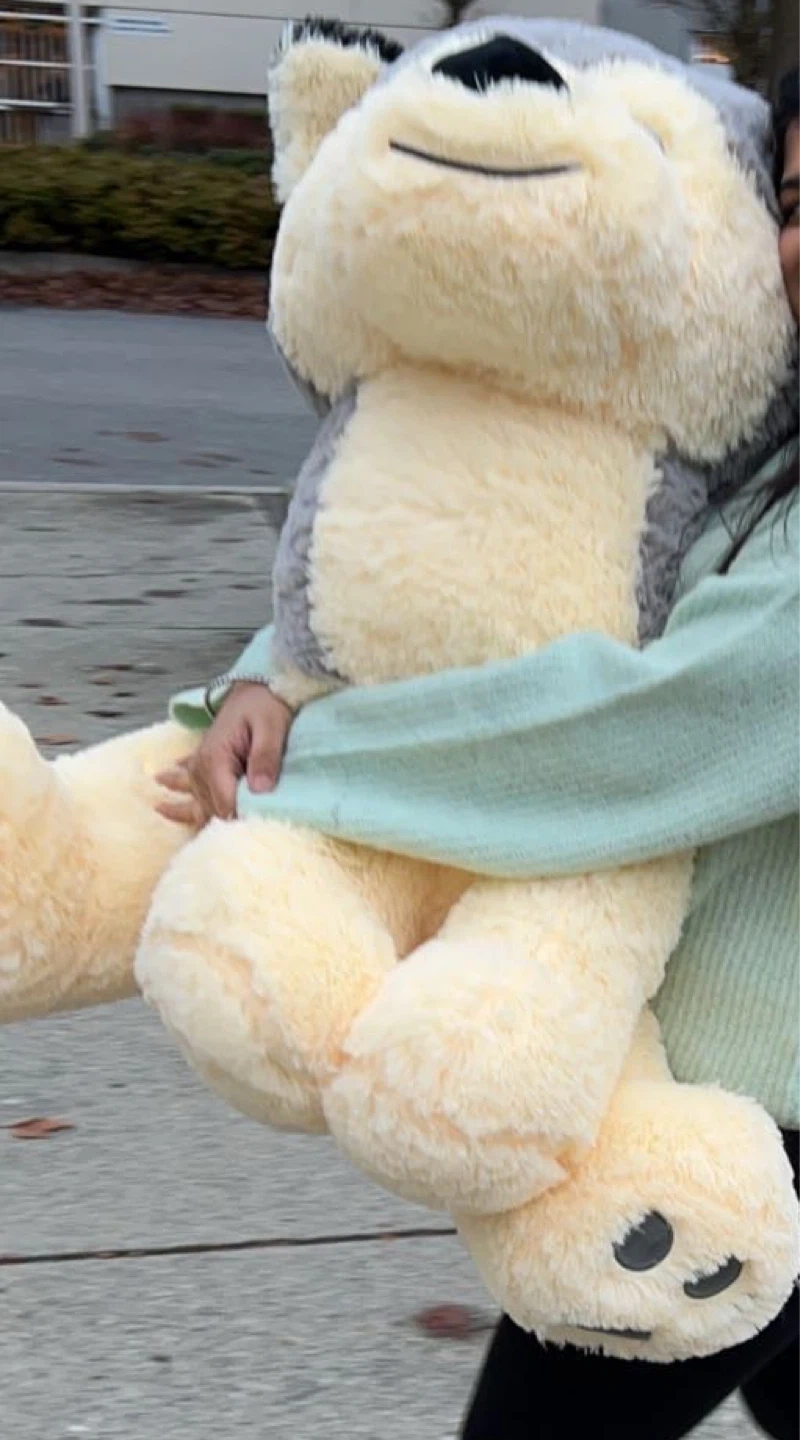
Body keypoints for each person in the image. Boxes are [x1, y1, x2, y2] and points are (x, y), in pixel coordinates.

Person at [158, 72, 800, 1440]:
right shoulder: (764, 441)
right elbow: (534, 587)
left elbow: (637, 729)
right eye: (796, 204)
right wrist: (273, 671)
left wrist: (305, 759)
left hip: (761, 1109)